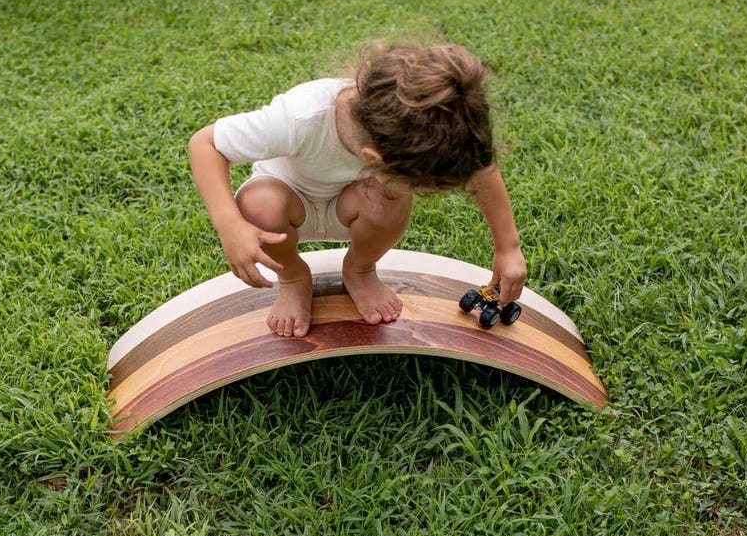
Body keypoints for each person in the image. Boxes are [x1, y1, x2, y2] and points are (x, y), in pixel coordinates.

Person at [188, 42, 527, 338]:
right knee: (259, 203)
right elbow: (205, 144)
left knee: (390, 197)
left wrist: (508, 247)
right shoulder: (300, 116)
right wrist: (229, 225)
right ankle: (293, 277)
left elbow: (480, 171)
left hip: (352, 205)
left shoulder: (421, 125)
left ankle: (360, 268)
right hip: (289, 208)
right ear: (371, 159)